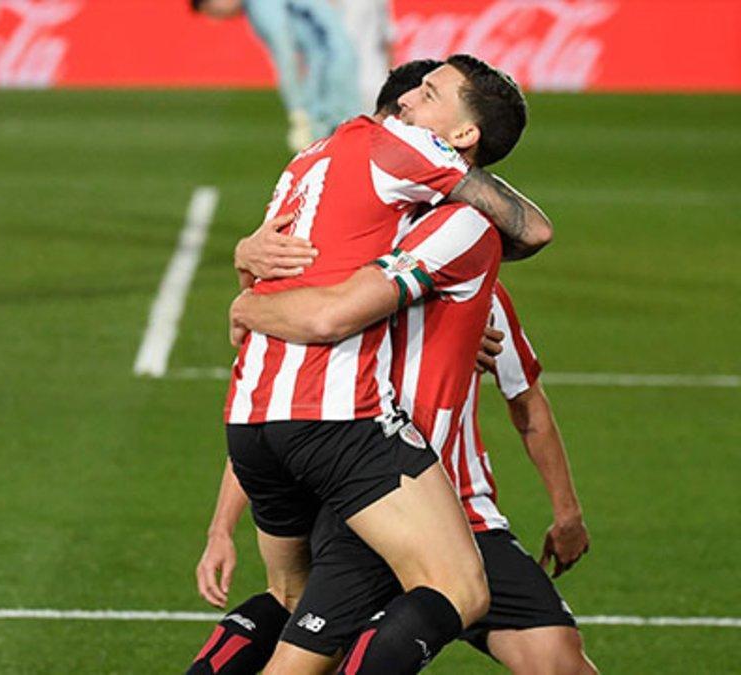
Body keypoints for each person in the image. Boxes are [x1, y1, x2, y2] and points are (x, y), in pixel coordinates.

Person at [203, 55, 552, 675]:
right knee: (460, 590)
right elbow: (531, 229)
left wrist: (242, 284)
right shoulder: (419, 170)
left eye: (432, 91)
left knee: (292, 605)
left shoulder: (312, 160)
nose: (414, 99)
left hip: (252, 419)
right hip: (339, 422)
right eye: (417, 89)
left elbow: (274, 272)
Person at [191, 0, 362, 150]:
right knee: (345, 140)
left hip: (331, 66)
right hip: (337, 58)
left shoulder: (259, 5)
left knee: (331, 144)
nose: (219, 16)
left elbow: (285, 55)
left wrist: (298, 112)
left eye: (214, 10)